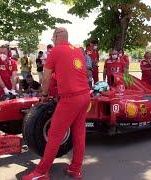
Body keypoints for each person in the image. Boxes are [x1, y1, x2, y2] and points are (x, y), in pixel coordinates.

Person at [22, 27, 91, 180]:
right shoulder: (77, 51)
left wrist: (44, 95)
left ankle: (41, 172)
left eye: (53, 37)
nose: (52, 39)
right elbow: (75, 72)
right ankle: (75, 169)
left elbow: (46, 77)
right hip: (85, 95)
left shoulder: (55, 51)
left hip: (70, 98)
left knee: (54, 134)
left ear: (58, 36)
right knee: (79, 133)